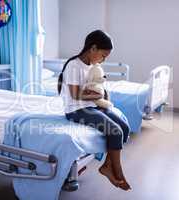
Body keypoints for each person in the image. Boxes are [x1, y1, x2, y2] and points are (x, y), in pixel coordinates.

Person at [58, 30, 131, 190]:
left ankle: (106, 166)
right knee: (115, 131)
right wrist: (95, 95)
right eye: (103, 56)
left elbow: (98, 87)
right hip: (76, 110)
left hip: (92, 106)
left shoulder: (93, 66)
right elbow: (76, 95)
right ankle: (117, 172)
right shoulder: (74, 65)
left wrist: (102, 95)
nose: (103, 60)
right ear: (93, 48)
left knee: (125, 127)